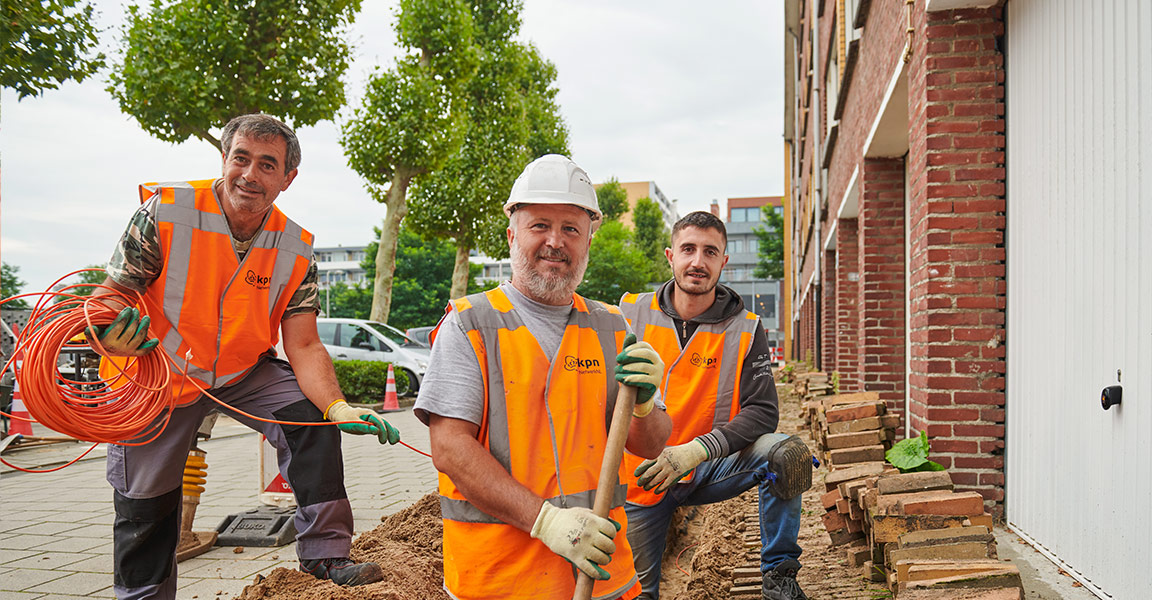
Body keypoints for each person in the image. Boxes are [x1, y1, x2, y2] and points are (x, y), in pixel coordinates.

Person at [88, 114, 399, 599]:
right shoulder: (164, 213)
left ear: (286, 178)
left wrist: (338, 407)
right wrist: (110, 336)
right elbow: (109, 298)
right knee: (144, 503)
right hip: (157, 374)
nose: (250, 175)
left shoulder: (293, 247)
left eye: (267, 165)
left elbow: (304, 343)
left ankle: (325, 556)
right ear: (225, 160)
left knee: (311, 421)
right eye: (241, 158)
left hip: (240, 372)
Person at [414, 154, 673, 600]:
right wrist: (546, 521)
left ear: (588, 239)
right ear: (512, 233)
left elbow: (649, 445)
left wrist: (646, 404)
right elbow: (450, 449)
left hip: (603, 579)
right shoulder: (470, 324)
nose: (556, 241)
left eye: (571, 228)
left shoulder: (613, 328)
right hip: (499, 582)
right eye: (540, 226)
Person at [618, 211, 813, 600]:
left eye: (710, 252)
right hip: (640, 477)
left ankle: (779, 578)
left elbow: (763, 410)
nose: (697, 261)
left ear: (724, 261)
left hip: (706, 464)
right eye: (688, 249)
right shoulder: (628, 313)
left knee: (787, 455)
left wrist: (696, 451)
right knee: (638, 593)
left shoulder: (745, 326)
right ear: (670, 255)